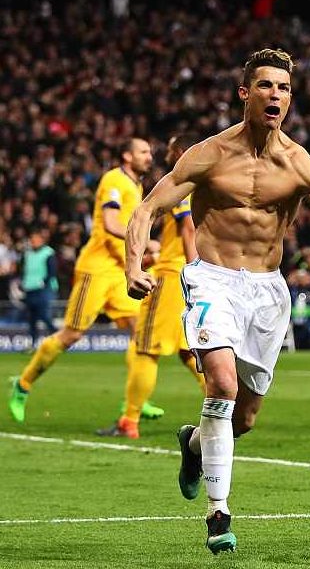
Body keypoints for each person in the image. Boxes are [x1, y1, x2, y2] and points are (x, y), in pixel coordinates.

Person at [124, 48, 310, 555]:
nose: (274, 95)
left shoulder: (299, 164)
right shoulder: (209, 154)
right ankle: (219, 514)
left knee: (246, 418)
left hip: (267, 291)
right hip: (211, 278)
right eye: (264, 86)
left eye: (282, 88)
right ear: (245, 93)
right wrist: (134, 267)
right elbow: (148, 208)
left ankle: (194, 444)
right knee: (221, 382)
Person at [8, 138, 153, 423]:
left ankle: (135, 401)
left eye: (150, 152)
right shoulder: (114, 179)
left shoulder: (136, 186)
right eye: (143, 152)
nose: (150, 156)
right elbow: (111, 224)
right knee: (71, 335)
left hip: (118, 270)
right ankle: (22, 385)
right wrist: (146, 243)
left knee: (141, 333)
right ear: (127, 155)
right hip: (96, 270)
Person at [96, 134, 207, 439]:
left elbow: (187, 228)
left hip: (173, 277)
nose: (165, 156)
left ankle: (128, 422)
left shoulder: (184, 184)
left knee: (145, 349)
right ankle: (228, 412)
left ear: (182, 152)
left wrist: (193, 271)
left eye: (170, 149)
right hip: (194, 277)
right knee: (190, 353)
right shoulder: (211, 187)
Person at [19, 230, 58, 348]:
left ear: (41, 240)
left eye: (35, 239)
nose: (33, 242)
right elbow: (24, 270)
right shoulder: (27, 254)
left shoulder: (48, 253)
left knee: (44, 315)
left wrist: (44, 282)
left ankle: (59, 338)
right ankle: (32, 344)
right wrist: (23, 283)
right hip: (29, 289)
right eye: (32, 240)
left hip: (43, 289)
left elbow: (52, 271)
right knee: (31, 318)